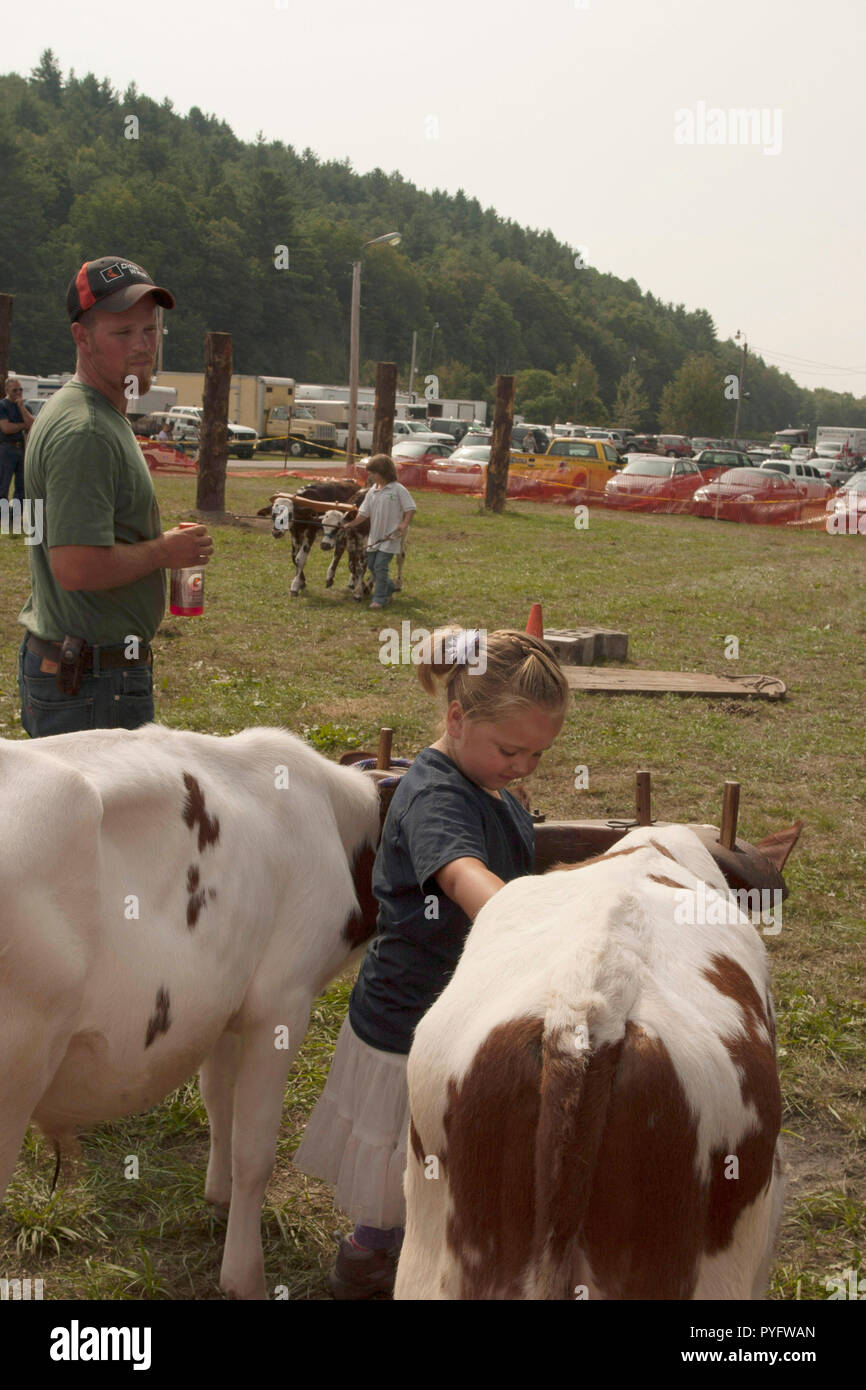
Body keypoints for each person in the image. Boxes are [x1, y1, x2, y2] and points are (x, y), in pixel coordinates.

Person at [293, 628, 569, 1298]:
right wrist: (544, 922)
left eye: (538, 752)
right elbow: (461, 874)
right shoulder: (437, 795)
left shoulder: (489, 782)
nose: (524, 766)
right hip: (409, 1020)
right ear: (455, 718)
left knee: (441, 1161)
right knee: (403, 1169)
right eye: (511, 750)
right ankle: (368, 1261)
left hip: (455, 1010)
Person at [17, 255, 214, 738]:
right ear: (81, 337)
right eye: (122, 334)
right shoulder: (85, 429)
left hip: (90, 673)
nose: (142, 347)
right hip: (93, 683)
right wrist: (166, 552)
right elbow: (77, 568)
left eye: (149, 331)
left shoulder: (99, 413)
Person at [344, 453, 415, 609]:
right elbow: (364, 513)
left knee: (380, 566)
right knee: (372, 567)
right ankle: (389, 588)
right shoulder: (372, 491)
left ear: (384, 472)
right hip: (374, 537)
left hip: (390, 537)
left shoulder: (398, 489)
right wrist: (352, 523)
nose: (371, 476)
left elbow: (410, 509)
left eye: (373, 473)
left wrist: (403, 524)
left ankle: (379, 599)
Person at [0, 377, 34, 505]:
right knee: (3, 484)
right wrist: (22, 425)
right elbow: (6, 428)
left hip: (22, 449)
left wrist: (21, 408)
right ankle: (2, 518)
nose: (18, 393)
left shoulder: (26, 407)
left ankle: (15, 516)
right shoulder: (2, 406)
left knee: (21, 486)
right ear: (7, 390)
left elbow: (32, 424)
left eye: (20, 389)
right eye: (15, 390)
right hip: (6, 448)